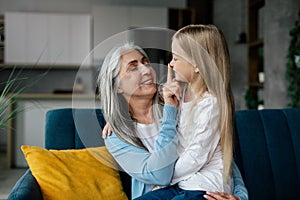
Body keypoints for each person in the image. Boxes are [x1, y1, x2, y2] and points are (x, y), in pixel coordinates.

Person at [98, 41, 248, 200]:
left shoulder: (179, 103)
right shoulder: (115, 136)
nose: (146, 69)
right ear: (117, 87)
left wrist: (240, 196)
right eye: (133, 67)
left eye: (145, 62)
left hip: (201, 190)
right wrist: (118, 121)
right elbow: (159, 175)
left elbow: (216, 152)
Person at [134, 24, 239, 200]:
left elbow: (196, 155)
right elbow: (143, 103)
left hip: (205, 187)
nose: (171, 63)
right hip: (182, 183)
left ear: (197, 65)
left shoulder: (211, 103)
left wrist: (165, 180)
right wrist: (116, 121)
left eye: (176, 58)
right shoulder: (182, 95)